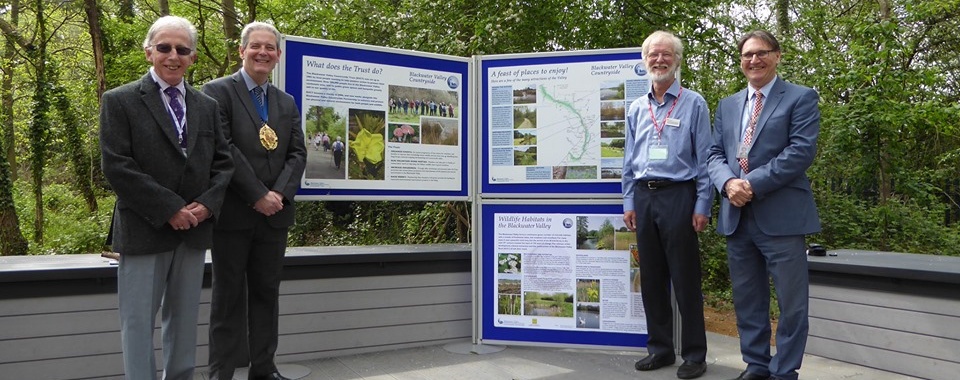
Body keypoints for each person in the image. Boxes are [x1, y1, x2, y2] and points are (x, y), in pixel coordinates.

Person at [99, 15, 234, 380]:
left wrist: (207, 204)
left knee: (184, 319)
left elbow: (224, 164)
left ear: (192, 57)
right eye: (164, 47)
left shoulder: (207, 106)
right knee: (138, 322)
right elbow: (116, 166)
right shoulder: (119, 101)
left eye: (182, 49)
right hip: (145, 230)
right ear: (149, 52)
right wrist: (170, 208)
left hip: (193, 230)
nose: (173, 55)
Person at [706, 30, 821, 380]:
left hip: (782, 218)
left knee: (791, 304)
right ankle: (756, 365)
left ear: (777, 56)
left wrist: (749, 184)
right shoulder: (727, 104)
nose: (754, 60)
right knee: (747, 300)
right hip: (736, 216)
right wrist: (727, 183)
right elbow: (713, 154)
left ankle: (785, 371)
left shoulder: (800, 98)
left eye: (762, 53)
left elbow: (800, 152)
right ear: (741, 61)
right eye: (747, 54)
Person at [203, 21, 307, 380]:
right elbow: (223, 149)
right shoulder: (216, 92)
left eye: (270, 47)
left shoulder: (285, 101)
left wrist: (277, 194)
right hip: (234, 215)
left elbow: (297, 153)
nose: (263, 52)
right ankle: (221, 373)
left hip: (274, 217)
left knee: (266, 294)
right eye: (256, 46)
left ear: (277, 56)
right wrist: (258, 194)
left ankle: (264, 369)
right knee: (228, 298)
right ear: (242, 50)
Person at [621, 30, 713, 380]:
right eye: (653, 55)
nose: (659, 61)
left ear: (677, 60)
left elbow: (704, 160)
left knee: (686, 278)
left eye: (666, 55)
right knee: (651, 278)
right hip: (644, 196)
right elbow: (629, 161)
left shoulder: (694, 103)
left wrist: (702, 204)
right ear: (644, 61)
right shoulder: (635, 107)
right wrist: (629, 200)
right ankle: (660, 349)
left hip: (679, 195)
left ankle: (694, 355)